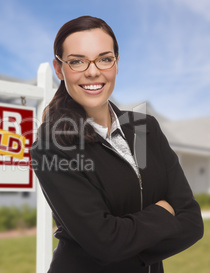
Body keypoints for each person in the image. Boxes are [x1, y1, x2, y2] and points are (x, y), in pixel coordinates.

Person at [30, 16, 204, 273]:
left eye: (104, 58)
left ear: (117, 63)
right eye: (77, 61)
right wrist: (164, 212)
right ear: (59, 69)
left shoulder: (146, 129)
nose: (92, 71)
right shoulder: (52, 145)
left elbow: (191, 222)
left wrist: (123, 243)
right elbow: (106, 244)